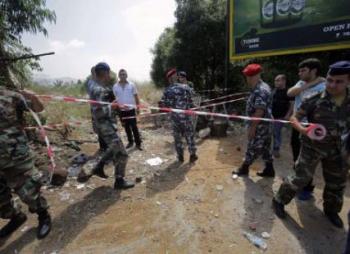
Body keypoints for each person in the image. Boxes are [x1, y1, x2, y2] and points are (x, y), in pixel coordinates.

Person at [273, 61, 350, 228]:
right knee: (300, 177)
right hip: (312, 147)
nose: (332, 85)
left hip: (338, 150)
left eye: (339, 81)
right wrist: (303, 130)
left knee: (337, 182)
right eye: (330, 80)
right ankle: (279, 200)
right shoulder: (314, 99)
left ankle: (331, 210)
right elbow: (294, 118)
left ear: (348, 81)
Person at [0, 86, 51, 239]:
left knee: (28, 190)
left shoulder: (11, 96)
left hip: (14, 155)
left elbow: (39, 109)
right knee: (1, 196)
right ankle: (16, 217)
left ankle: (43, 216)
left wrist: (33, 97)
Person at [78, 63, 134, 189]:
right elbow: (99, 111)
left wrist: (112, 105)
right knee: (122, 153)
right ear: (105, 73)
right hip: (106, 126)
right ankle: (119, 181)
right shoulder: (99, 89)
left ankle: (99, 166)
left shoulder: (93, 85)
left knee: (113, 147)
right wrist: (113, 106)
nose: (110, 75)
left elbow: (98, 106)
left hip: (104, 126)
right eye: (109, 72)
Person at [287, 58, 326, 200]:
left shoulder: (324, 87)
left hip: (312, 128)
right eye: (299, 70)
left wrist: (315, 84)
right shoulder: (302, 83)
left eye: (303, 70)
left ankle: (307, 188)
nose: (299, 73)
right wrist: (310, 83)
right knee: (297, 154)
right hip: (297, 125)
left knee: (309, 159)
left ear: (314, 71)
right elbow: (290, 93)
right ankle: (298, 182)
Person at [232, 63, 275, 177]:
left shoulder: (260, 90)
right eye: (247, 76)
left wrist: (252, 128)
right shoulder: (262, 87)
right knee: (265, 148)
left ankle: (244, 168)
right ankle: (270, 170)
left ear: (256, 76)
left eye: (249, 76)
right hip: (265, 125)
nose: (247, 79)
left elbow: (259, 111)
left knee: (252, 147)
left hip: (260, 126)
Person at [159, 68, 198, 163]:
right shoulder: (185, 87)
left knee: (177, 138)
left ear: (169, 79)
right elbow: (192, 100)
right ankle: (192, 154)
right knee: (189, 136)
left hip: (174, 118)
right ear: (175, 77)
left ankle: (180, 156)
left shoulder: (167, 91)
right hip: (186, 117)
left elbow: (164, 106)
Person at [113, 69, 142, 150]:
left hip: (131, 109)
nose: (123, 75)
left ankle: (138, 143)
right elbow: (115, 98)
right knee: (126, 127)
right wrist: (116, 108)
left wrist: (138, 107)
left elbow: (136, 97)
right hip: (121, 111)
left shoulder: (131, 85)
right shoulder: (115, 86)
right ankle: (130, 142)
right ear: (119, 76)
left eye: (124, 74)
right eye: (121, 74)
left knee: (134, 127)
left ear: (126, 75)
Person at [271, 74, 293, 158]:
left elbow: (292, 104)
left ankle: (276, 149)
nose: (275, 82)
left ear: (283, 81)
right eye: (275, 80)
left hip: (280, 116)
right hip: (271, 116)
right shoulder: (274, 91)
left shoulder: (289, 92)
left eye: (277, 80)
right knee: (271, 132)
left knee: (276, 133)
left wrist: (288, 115)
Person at [87, 66, 108, 153]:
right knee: (99, 128)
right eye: (94, 72)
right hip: (96, 109)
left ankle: (106, 146)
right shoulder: (91, 83)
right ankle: (103, 147)